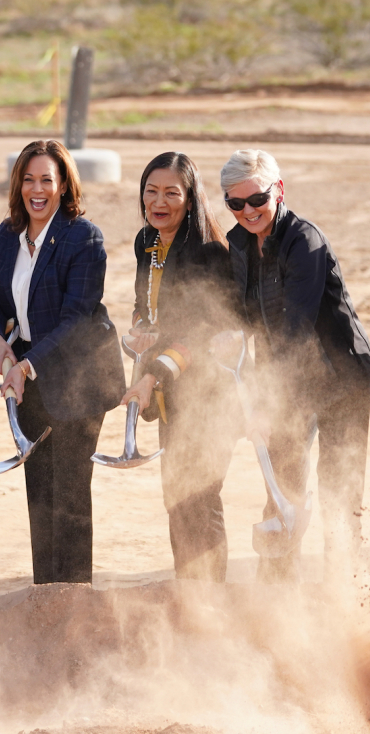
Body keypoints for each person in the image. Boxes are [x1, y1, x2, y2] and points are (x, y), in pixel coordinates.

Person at [221, 149, 370, 579]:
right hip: (287, 376)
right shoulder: (238, 244)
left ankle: (341, 593)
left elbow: (294, 330)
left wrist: (268, 403)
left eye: (257, 199)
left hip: (341, 376)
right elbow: (246, 323)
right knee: (282, 481)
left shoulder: (304, 241)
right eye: (235, 203)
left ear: (280, 190)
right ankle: (276, 593)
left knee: (337, 488)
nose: (248, 211)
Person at [0, 140, 126, 585]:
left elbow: (76, 318)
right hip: (31, 379)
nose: (36, 189)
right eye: (28, 179)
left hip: (80, 378)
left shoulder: (84, 237)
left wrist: (24, 366)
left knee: (70, 494)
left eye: (47, 180)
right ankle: (46, 595)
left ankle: (75, 603)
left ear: (64, 186)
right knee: (39, 491)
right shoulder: (9, 234)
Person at [118, 152, 233, 581]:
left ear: (190, 199)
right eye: (151, 191)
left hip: (209, 397)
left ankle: (212, 604)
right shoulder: (145, 242)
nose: (159, 201)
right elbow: (142, 304)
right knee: (176, 498)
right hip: (169, 396)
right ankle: (189, 594)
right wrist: (140, 329)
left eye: (171, 192)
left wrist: (154, 372)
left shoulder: (210, 253)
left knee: (201, 498)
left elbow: (207, 328)